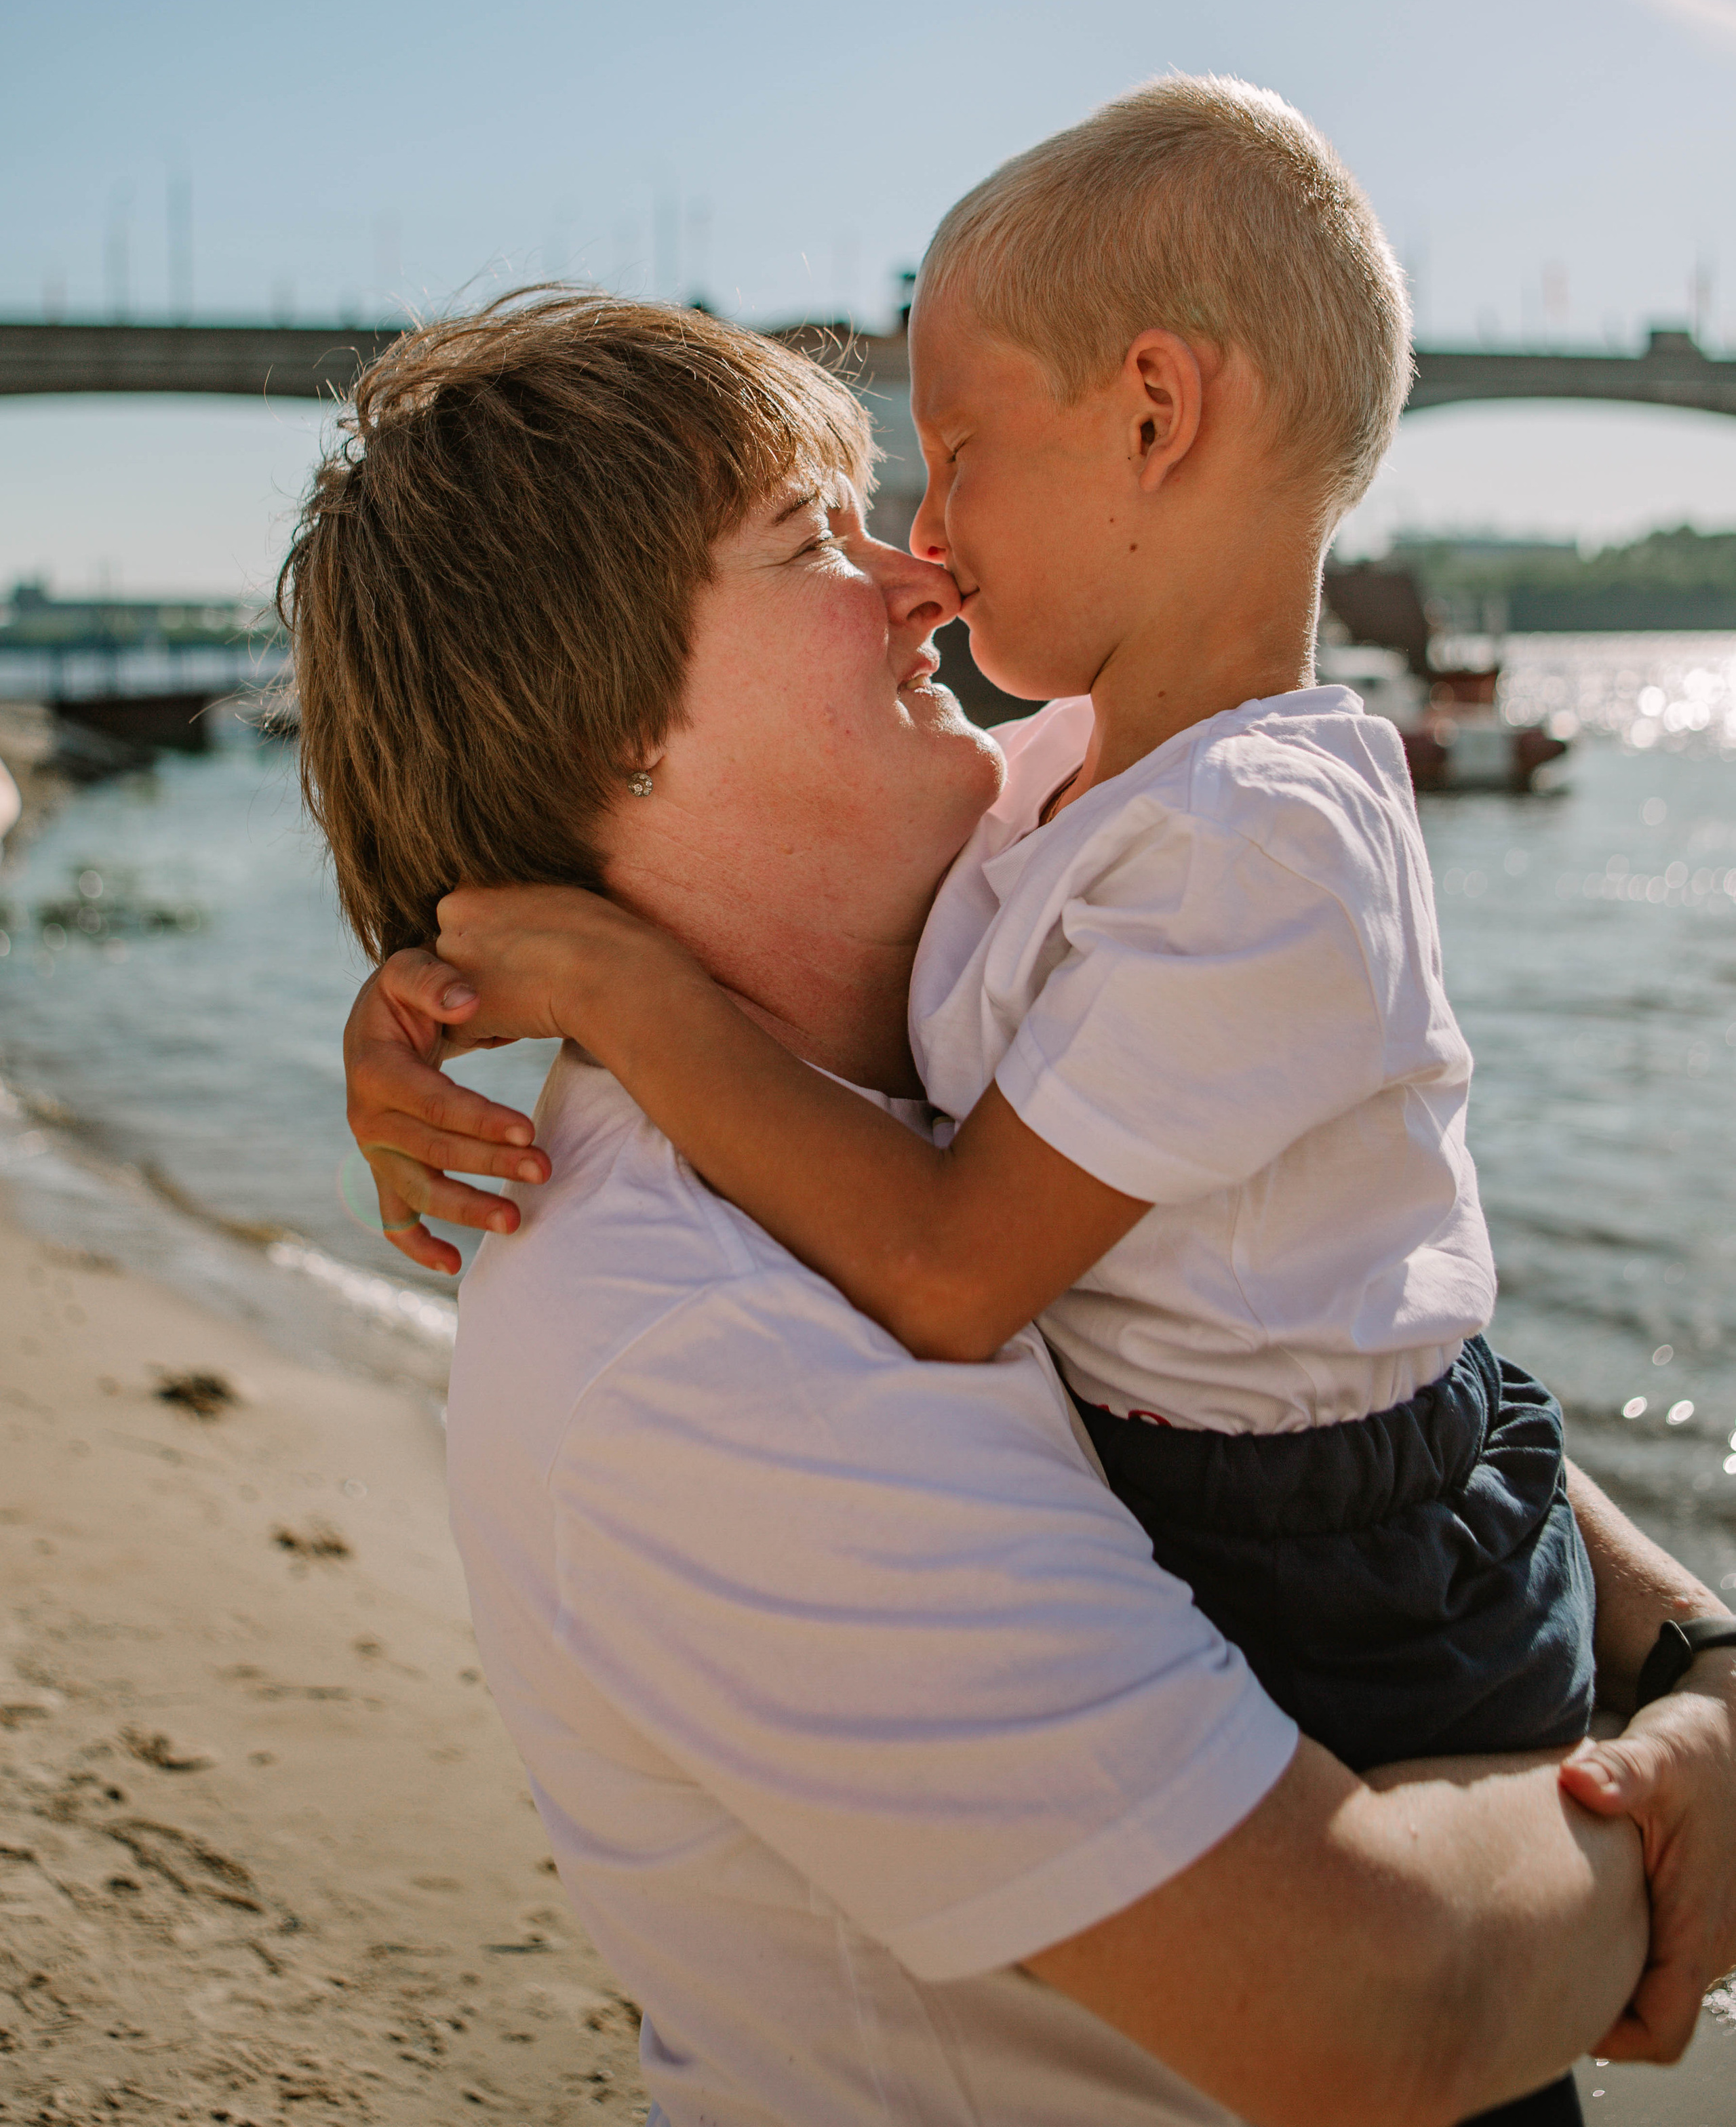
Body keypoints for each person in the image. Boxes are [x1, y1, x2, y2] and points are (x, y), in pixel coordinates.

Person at [298, 290, 1736, 2127]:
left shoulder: (991, 969)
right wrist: (1690, 1810)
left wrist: (1688, 1652)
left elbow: (1340, 1356)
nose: (925, 576)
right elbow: (1380, 2012)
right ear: (607, 733)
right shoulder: (700, 1347)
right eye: (811, 541)